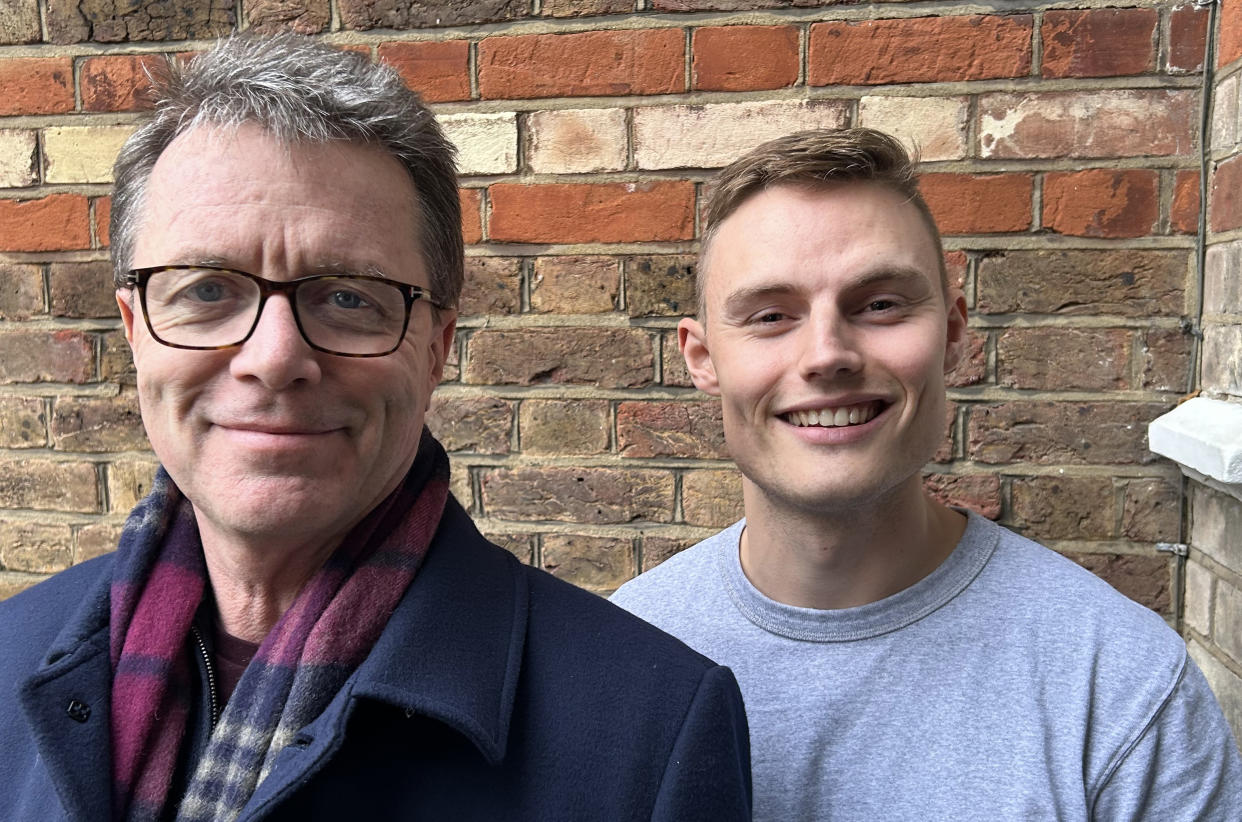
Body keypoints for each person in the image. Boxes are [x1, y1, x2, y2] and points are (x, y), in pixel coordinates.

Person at [0, 34, 750, 822]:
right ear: (135, 327)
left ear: (434, 348)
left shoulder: (648, 731)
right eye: (209, 290)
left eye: (349, 296)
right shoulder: (11, 659)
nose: (274, 357)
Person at [611, 127, 1242, 820]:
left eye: (880, 304)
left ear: (952, 332)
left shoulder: (1122, 691)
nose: (827, 354)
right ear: (702, 357)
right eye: (770, 316)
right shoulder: (616, 662)